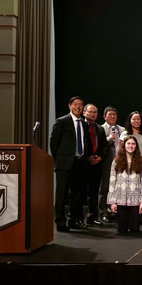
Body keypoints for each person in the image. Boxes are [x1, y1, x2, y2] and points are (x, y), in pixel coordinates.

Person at [50, 96, 90, 232]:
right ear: (70, 106)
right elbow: (53, 143)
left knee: (77, 195)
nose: (78, 107)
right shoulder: (62, 121)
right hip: (64, 164)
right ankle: (60, 222)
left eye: (80, 104)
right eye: (75, 104)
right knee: (61, 194)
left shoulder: (84, 124)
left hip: (80, 163)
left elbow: (85, 142)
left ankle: (74, 220)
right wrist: (57, 159)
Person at [106, 135, 142, 233]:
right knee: (122, 229)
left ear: (136, 146)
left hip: (135, 200)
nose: (130, 146)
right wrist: (113, 202)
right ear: (124, 145)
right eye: (128, 143)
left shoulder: (141, 162)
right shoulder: (116, 161)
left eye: (133, 144)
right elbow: (112, 182)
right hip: (120, 199)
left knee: (134, 229)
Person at [120, 111, 142, 226]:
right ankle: (129, 215)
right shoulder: (124, 134)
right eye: (134, 119)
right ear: (130, 121)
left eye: (138, 119)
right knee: (131, 187)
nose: (136, 121)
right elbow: (121, 149)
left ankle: (141, 214)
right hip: (129, 161)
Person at [99, 106, 125, 224]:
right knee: (104, 188)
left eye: (114, 114)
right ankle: (103, 212)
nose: (112, 116)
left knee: (117, 188)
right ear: (105, 116)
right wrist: (109, 139)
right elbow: (99, 146)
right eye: (110, 114)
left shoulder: (122, 129)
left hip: (120, 163)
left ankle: (113, 211)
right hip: (106, 162)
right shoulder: (101, 129)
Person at [82, 104, 106, 226]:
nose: (92, 114)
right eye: (90, 112)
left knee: (94, 192)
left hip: (97, 164)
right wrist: (88, 158)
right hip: (82, 163)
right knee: (79, 192)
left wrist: (100, 157)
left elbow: (104, 146)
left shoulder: (100, 128)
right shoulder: (80, 126)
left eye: (95, 112)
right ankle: (77, 218)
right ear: (84, 113)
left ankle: (93, 216)